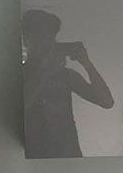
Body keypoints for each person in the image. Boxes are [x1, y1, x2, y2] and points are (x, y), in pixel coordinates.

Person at [22, 9, 113, 156]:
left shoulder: (65, 75)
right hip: (33, 157)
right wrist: (44, 72)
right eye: (42, 40)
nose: (48, 46)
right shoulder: (18, 75)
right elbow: (20, 108)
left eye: (51, 40)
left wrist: (86, 63)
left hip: (69, 156)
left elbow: (107, 102)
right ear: (27, 41)